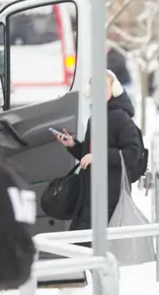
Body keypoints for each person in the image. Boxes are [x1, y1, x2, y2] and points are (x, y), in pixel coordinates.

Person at [58, 69, 145, 232]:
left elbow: (132, 153)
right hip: (91, 192)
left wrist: (98, 157)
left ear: (114, 88)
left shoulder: (121, 118)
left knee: (94, 244)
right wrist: (73, 145)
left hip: (110, 195)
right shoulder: (95, 118)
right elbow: (88, 156)